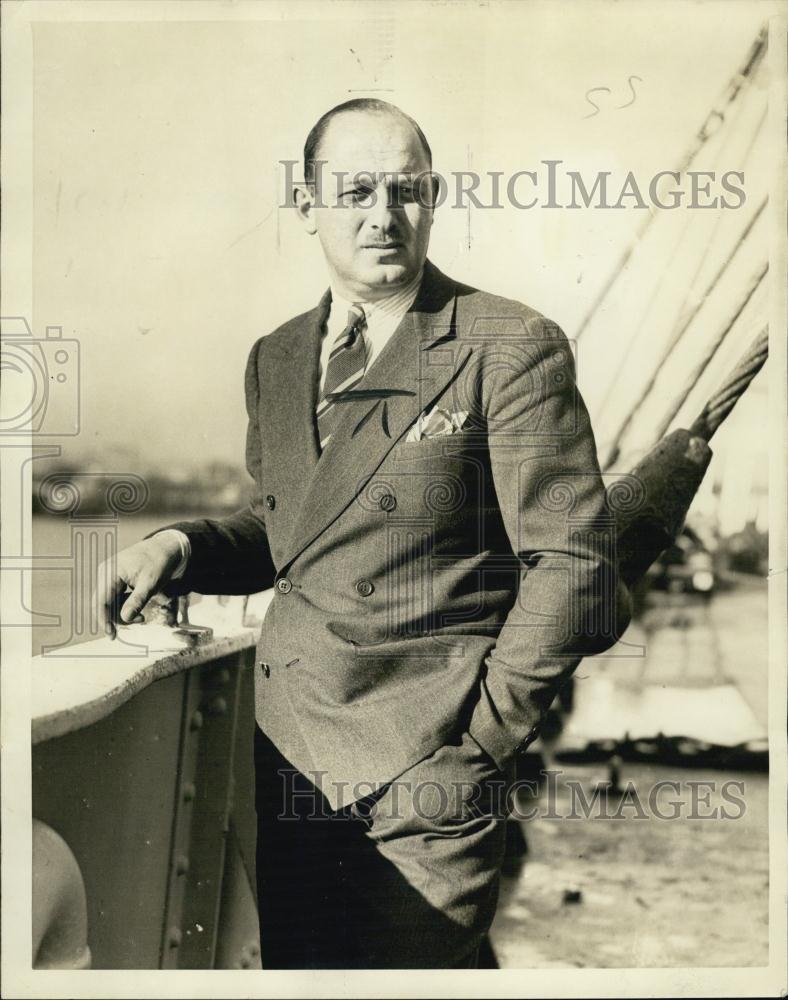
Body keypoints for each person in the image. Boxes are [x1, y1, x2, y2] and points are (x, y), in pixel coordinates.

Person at [95, 98, 629, 969]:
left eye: (406, 190)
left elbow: (574, 563)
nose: (383, 215)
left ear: (435, 196)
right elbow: (292, 533)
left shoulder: (507, 344)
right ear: (307, 206)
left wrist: (482, 742)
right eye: (355, 191)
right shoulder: (275, 357)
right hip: (292, 762)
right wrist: (182, 546)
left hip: (429, 778)